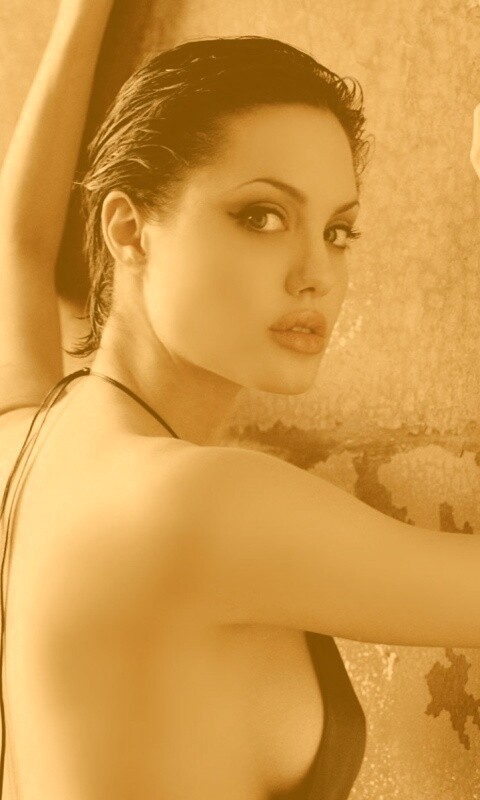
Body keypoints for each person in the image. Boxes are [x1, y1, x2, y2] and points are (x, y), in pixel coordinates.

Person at [0, 1, 479, 798]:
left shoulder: (22, 448)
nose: (316, 275)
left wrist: (83, 13)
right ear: (128, 228)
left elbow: (18, 247)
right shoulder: (202, 505)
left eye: (338, 231)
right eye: (261, 216)